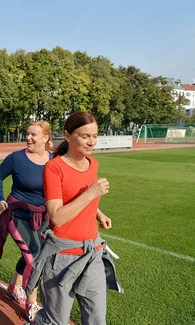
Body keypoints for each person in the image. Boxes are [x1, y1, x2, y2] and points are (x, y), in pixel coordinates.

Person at [25, 112, 121, 325]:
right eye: (85, 136)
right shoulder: (54, 168)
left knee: (96, 318)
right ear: (68, 136)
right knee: (55, 321)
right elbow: (57, 217)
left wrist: (98, 213)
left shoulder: (92, 164)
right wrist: (91, 193)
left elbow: (81, 199)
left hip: (91, 253)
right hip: (62, 257)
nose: (92, 141)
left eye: (95, 136)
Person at [0, 121, 53, 322]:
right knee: (34, 258)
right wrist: (0, 198)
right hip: (16, 213)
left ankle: (13, 285)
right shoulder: (16, 158)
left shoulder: (54, 161)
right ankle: (32, 303)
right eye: (27, 134)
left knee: (34, 251)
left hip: (42, 216)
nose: (28, 137)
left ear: (45, 138)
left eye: (33, 134)